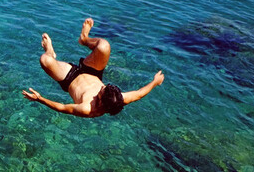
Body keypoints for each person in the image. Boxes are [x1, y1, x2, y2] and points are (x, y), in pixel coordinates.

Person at [22, 18, 165, 117]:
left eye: (101, 91)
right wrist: (155, 82)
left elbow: (62, 107)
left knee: (45, 60)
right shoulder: (118, 98)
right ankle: (84, 39)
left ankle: (50, 52)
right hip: (92, 71)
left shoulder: (87, 109)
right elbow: (139, 93)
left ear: (102, 101)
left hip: (69, 78)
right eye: (105, 86)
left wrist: (39, 99)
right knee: (104, 46)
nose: (101, 87)